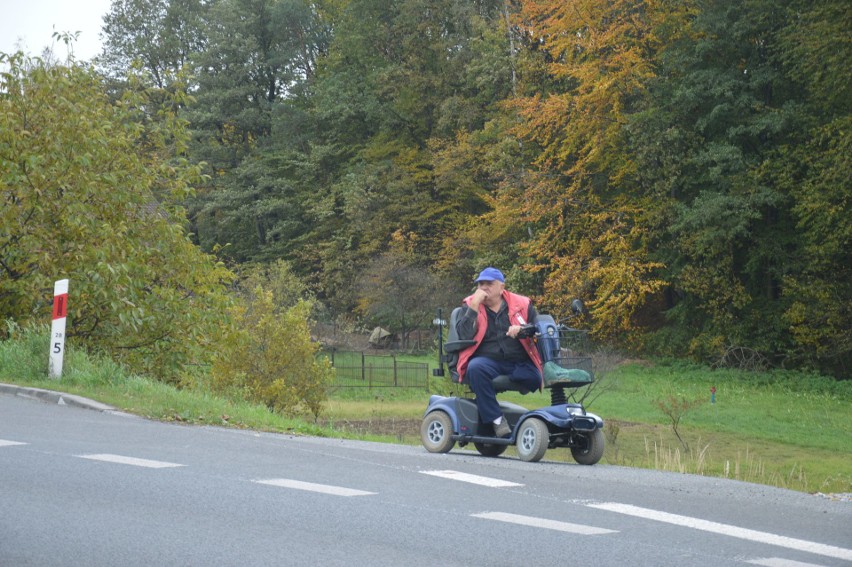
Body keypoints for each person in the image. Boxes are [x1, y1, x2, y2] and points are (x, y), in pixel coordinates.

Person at [455, 267, 543, 437]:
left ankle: (489, 400)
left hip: (518, 360)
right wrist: (473, 306)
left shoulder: (522, 304)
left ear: (502, 287)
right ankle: (496, 420)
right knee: (475, 368)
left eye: (489, 283)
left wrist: (523, 330)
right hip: (488, 361)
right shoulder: (470, 304)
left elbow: (538, 329)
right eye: (481, 284)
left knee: (535, 378)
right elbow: (463, 334)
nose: (484, 287)